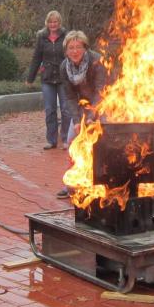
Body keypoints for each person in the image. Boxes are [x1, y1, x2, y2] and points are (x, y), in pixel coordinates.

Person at [58, 30, 107, 198]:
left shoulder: (96, 61)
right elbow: (70, 97)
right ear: (66, 51)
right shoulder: (64, 67)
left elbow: (100, 91)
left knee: (101, 143)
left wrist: (92, 118)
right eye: (71, 48)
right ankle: (72, 183)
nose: (75, 51)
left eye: (78, 47)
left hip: (104, 103)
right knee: (72, 140)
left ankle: (103, 183)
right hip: (82, 106)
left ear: (85, 48)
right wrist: (78, 120)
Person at [25, 11, 70, 150]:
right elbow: (36, 58)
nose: (53, 24)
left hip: (63, 78)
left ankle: (66, 139)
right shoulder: (41, 37)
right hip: (47, 78)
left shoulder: (66, 36)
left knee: (66, 110)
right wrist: (30, 78)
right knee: (50, 110)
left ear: (59, 22)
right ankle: (51, 140)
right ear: (47, 23)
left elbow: (72, 54)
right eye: (50, 22)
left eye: (55, 22)